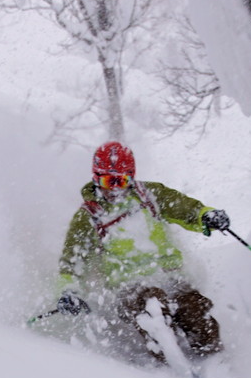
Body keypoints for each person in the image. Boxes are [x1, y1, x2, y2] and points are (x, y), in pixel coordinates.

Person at [55, 141, 230, 365]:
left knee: (194, 310)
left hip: (169, 276)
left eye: (122, 181)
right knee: (153, 305)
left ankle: (216, 364)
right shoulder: (89, 215)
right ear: (97, 178)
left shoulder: (150, 195)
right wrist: (69, 291)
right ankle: (172, 367)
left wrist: (206, 215)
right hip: (127, 286)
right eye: (110, 181)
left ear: (131, 178)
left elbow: (184, 208)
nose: (116, 189)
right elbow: (72, 259)